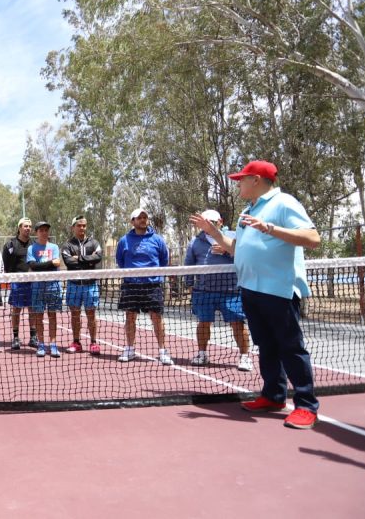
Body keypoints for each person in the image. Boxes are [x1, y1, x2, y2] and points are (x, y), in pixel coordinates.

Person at [191, 160, 321, 429]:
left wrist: (270, 229)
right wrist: (212, 232)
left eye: (242, 178)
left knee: (291, 347)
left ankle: (306, 405)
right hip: (250, 289)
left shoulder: (284, 203)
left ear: (257, 180)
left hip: (279, 290)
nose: (238, 183)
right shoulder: (246, 212)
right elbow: (236, 249)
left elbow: (312, 238)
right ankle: (273, 395)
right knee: (266, 346)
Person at [184, 209, 252, 372]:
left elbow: (247, 257)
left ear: (220, 221)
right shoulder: (195, 241)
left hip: (231, 291)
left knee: (237, 323)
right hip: (203, 292)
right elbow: (189, 265)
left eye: (213, 222)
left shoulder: (233, 236)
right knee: (203, 323)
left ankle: (244, 357)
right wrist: (190, 284)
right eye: (206, 222)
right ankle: (202, 354)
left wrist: (228, 250)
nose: (209, 225)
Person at [115, 209, 173, 365]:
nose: (142, 220)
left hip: (152, 286)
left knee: (157, 318)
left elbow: (164, 260)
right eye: (139, 218)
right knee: (130, 317)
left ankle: (162, 351)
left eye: (145, 217)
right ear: (132, 221)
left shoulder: (158, 240)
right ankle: (130, 349)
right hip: (131, 285)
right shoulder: (124, 241)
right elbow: (121, 261)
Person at [60, 215, 103, 355]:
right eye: (79, 225)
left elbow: (98, 257)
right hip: (74, 285)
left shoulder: (94, 243)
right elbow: (68, 262)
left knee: (91, 314)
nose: (82, 228)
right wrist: (87, 260)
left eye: (84, 225)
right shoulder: (67, 245)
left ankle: (93, 343)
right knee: (75, 315)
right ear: (73, 227)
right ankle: (76, 342)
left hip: (91, 284)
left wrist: (78, 258)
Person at [27, 222, 63, 358]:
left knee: (52, 315)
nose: (44, 232)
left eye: (46, 230)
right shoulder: (31, 248)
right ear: (36, 232)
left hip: (53, 286)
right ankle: (41, 344)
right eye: (41, 230)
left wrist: (42, 265)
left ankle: (53, 345)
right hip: (37, 287)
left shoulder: (54, 247)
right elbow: (33, 266)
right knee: (38, 316)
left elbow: (57, 264)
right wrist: (49, 264)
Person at [2, 217, 37, 350]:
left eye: (29, 226)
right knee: (16, 310)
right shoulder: (10, 245)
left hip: (32, 282)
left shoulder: (34, 244)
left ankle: (33, 337)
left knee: (32, 309)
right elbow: (6, 264)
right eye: (25, 226)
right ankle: (16, 338)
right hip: (17, 283)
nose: (28, 228)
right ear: (19, 228)